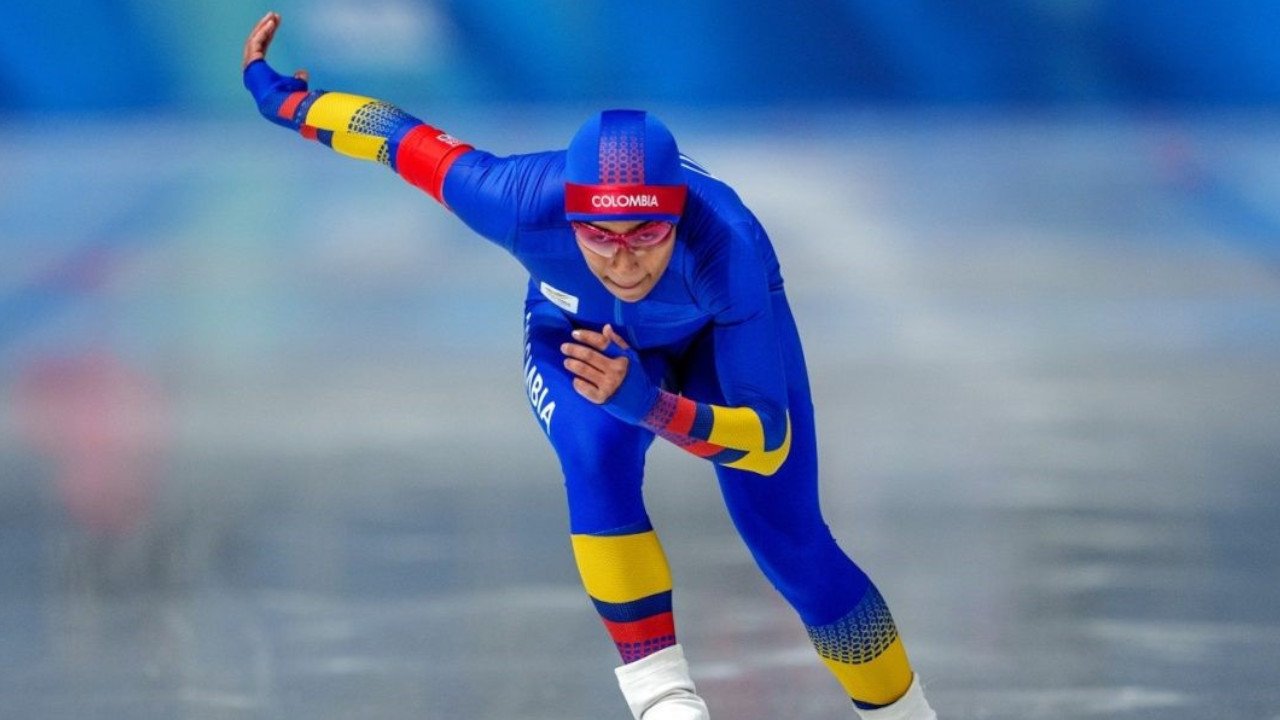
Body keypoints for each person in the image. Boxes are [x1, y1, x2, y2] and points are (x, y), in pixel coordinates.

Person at [241, 12, 939, 720]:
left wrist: (652, 405)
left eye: (646, 233)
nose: (624, 258)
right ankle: (664, 702)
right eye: (598, 236)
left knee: (793, 545)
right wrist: (286, 102)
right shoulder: (514, 200)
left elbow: (766, 440)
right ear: (568, 218)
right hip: (579, 333)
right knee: (594, 454)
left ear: (679, 216)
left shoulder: (728, 247)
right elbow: (395, 136)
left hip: (709, 342)